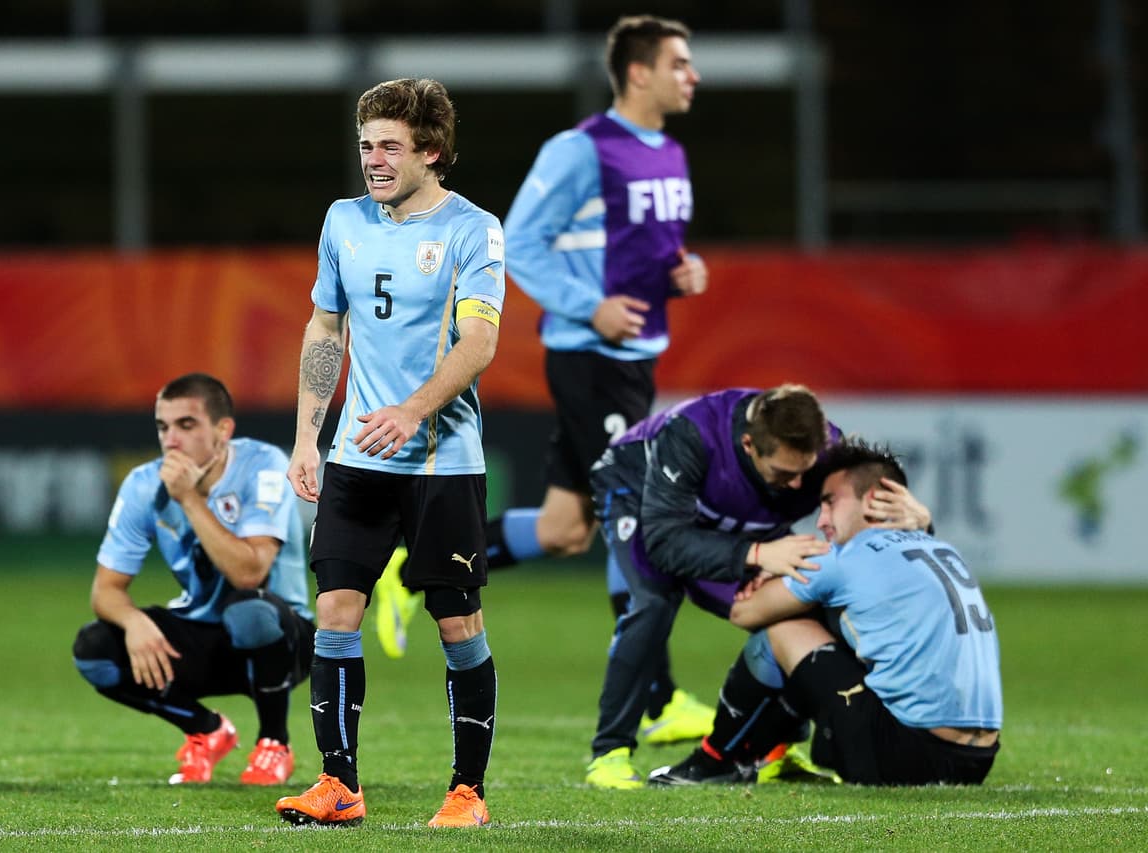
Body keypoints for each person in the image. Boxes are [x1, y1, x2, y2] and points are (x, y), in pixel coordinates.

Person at [375, 13, 713, 747]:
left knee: (565, 528)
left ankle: (412, 571)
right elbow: (518, 239)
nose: (693, 75)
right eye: (679, 63)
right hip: (591, 362)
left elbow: (648, 247)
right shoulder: (581, 150)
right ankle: (657, 700)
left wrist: (682, 273)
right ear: (637, 72)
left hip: (634, 360)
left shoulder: (671, 153)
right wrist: (587, 305)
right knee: (641, 515)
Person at [273, 78, 504, 830]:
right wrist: (308, 435)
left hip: (442, 460)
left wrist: (412, 409)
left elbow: (480, 340)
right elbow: (324, 329)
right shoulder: (343, 221)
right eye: (366, 144)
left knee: (457, 624)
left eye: (390, 147)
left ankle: (467, 792)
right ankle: (339, 783)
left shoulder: (473, 230)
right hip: (356, 459)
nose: (373, 160)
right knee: (335, 611)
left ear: (430, 151)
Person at [582, 384, 933, 788]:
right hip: (641, 497)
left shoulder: (825, 450)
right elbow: (665, 544)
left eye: (807, 470)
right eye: (786, 474)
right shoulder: (693, 435)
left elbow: (868, 517)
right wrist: (756, 554)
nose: (800, 485)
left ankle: (775, 749)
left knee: (795, 607)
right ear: (748, 445)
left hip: (730, 524)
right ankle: (609, 755)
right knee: (653, 601)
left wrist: (918, 521)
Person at [650, 439, 1002, 786]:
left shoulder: (844, 558)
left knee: (784, 628)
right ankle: (772, 752)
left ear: (877, 497)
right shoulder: (940, 547)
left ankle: (713, 761)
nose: (822, 521)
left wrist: (777, 566)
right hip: (978, 760)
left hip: (906, 755)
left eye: (830, 503)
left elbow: (745, 613)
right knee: (839, 622)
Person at [72, 373, 315, 786]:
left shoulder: (263, 465)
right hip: (205, 636)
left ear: (223, 430)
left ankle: (274, 743)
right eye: (163, 427)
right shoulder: (144, 484)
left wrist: (189, 498)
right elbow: (105, 590)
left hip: (282, 639)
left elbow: (249, 572)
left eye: (186, 425)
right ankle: (206, 729)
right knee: (94, 649)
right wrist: (134, 624)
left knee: (249, 610)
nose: (171, 440)